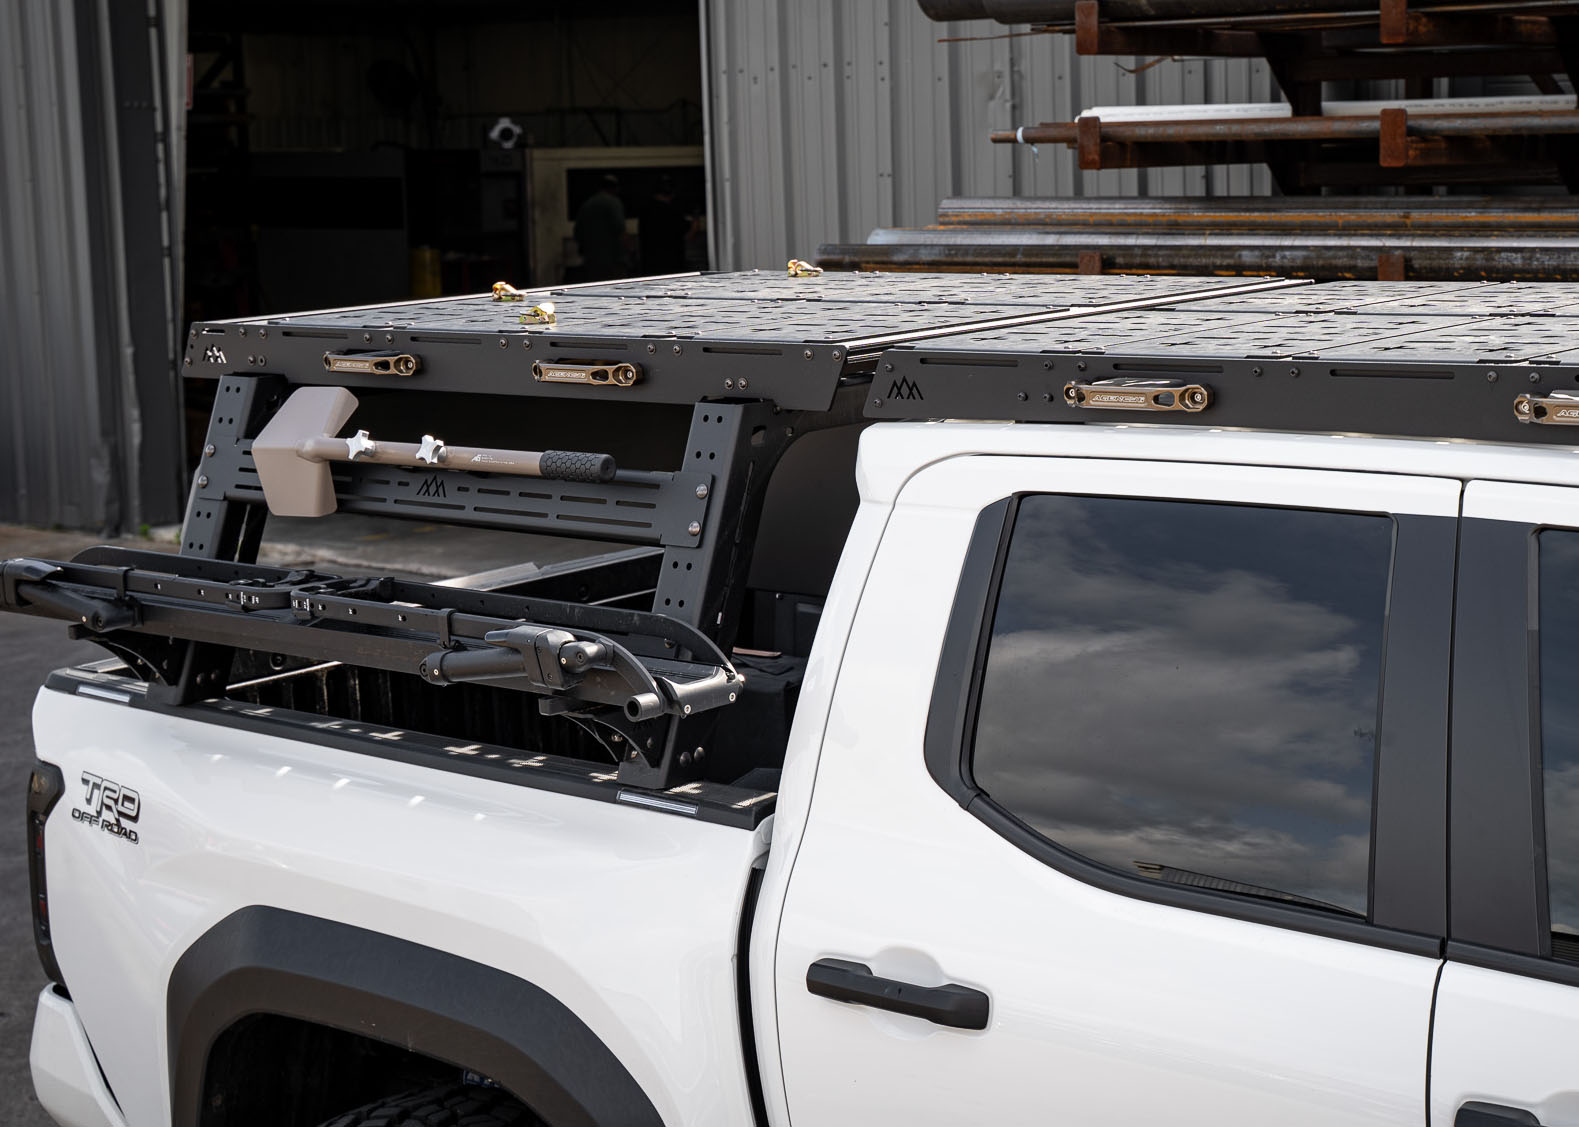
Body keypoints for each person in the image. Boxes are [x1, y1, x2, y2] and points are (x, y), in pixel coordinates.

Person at [573, 175, 628, 281]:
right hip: (613, 260)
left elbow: (577, 233)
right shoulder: (614, 203)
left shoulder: (587, 204)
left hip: (592, 261)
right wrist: (628, 253)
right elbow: (621, 231)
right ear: (614, 188)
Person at [639, 177, 690, 275]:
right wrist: (695, 223)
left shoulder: (645, 210)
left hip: (650, 264)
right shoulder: (672, 212)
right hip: (671, 264)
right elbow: (688, 236)